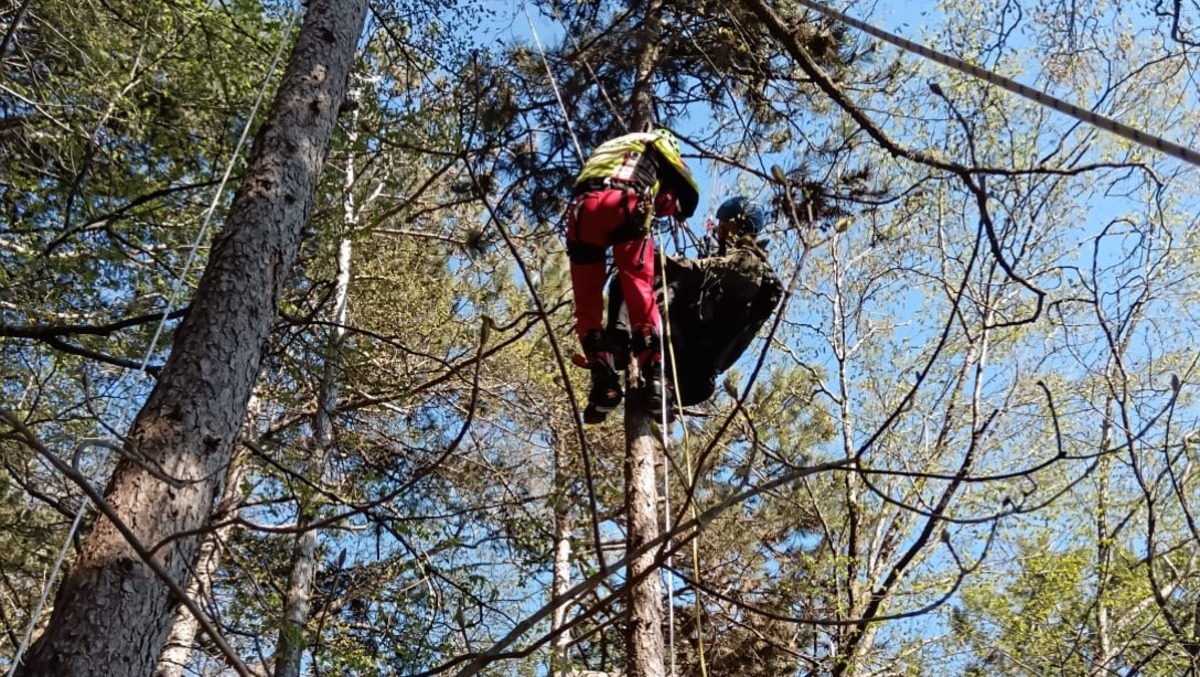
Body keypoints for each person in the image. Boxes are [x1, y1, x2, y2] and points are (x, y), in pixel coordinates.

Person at [565, 128, 699, 424]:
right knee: (640, 292)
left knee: (587, 305)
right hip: (623, 201)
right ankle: (654, 379)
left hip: (581, 211)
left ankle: (604, 379)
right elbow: (685, 191)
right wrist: (677, 207)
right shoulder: (656, 141)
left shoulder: (610, 145)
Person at [608, 195, 783, 410]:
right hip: (688, 358)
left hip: (692, 352)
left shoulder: (748, 261)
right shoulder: (733, 260)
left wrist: (657, 259)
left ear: (738, 227)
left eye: (724, 225)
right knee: (632, 282)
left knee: (632, 279)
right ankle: (623, 354)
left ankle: (618, 345)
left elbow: (700, 271)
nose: (719, 229)